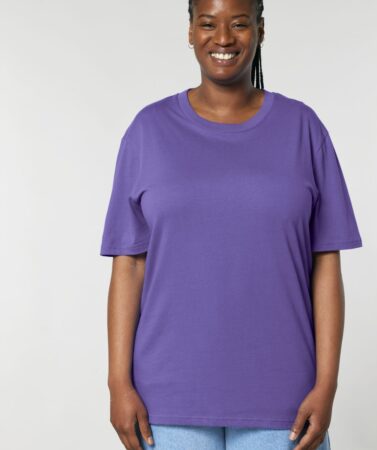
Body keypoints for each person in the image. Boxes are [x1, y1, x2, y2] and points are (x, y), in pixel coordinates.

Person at [99, 0, 363, 449]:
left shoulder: (303, 128)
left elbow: (326, 265)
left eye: (239, 24)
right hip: (167, 400)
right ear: (190, 31)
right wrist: (118, 384)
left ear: (260, 29)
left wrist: (327, 384)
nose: (223, 38)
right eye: (208, 23)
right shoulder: (148, 131)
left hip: (286, 400)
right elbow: (129, 266)